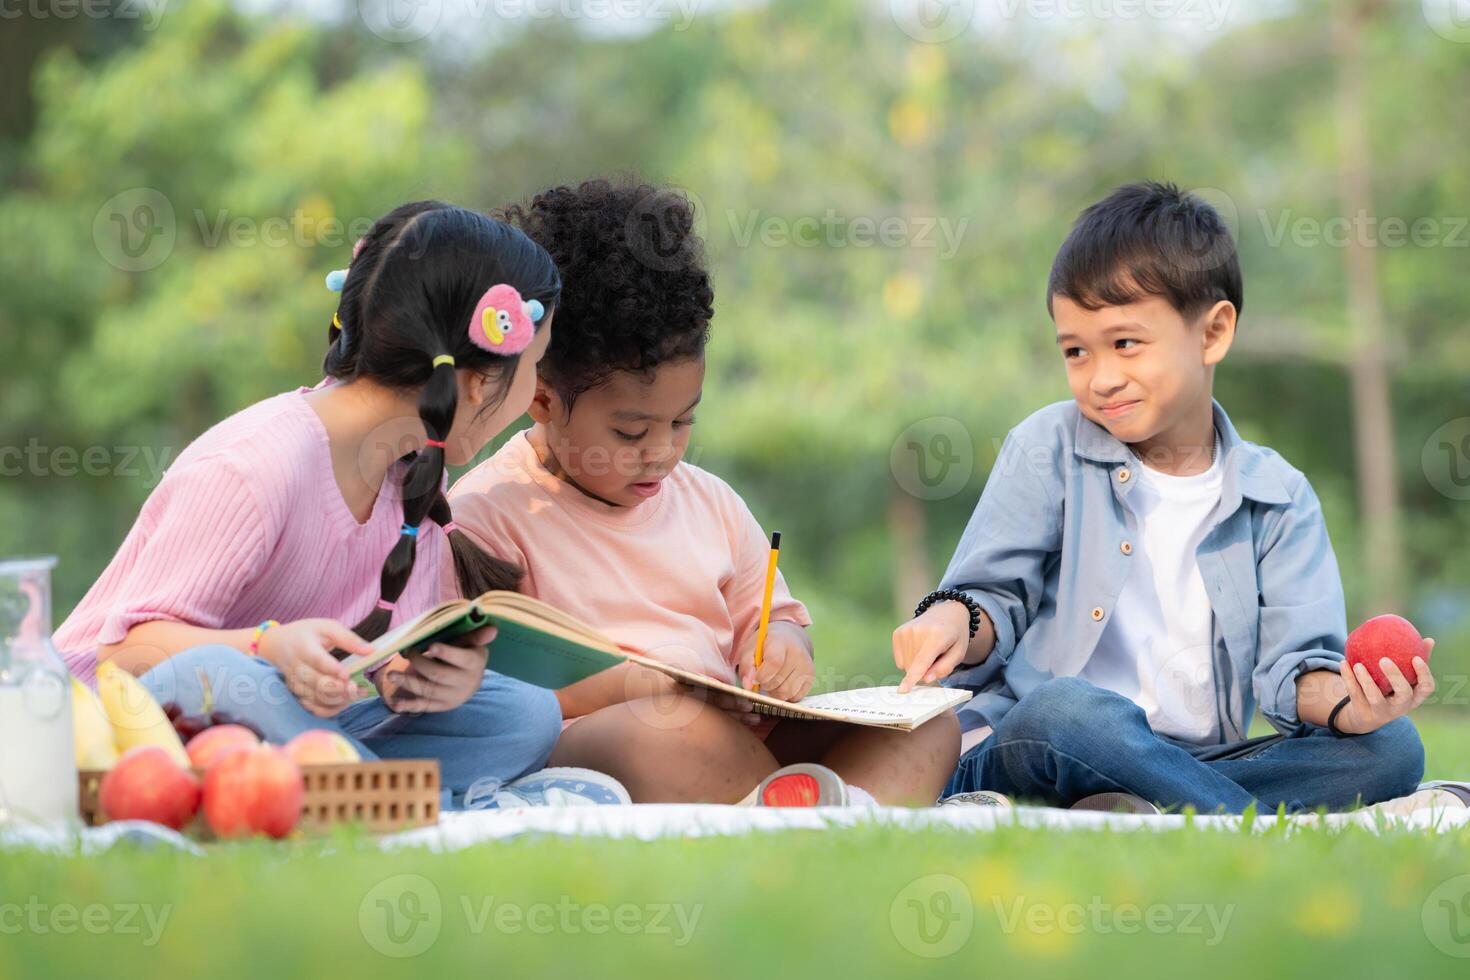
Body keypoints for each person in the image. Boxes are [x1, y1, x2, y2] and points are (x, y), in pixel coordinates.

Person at [893, 181, 1431, 814]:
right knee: (1071, 709)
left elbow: (1297, 671)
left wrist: (1352, 704)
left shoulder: (1278, 497)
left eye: (1125, 343)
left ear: (1213, 333)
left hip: (1189, 757)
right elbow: (990, 599)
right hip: (1048, 737)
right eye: (1076, 352)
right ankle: (1235, 820)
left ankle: (1151, 801)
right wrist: (950, 619)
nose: (1102, 377)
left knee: (1392, 747)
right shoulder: (1046, 447)